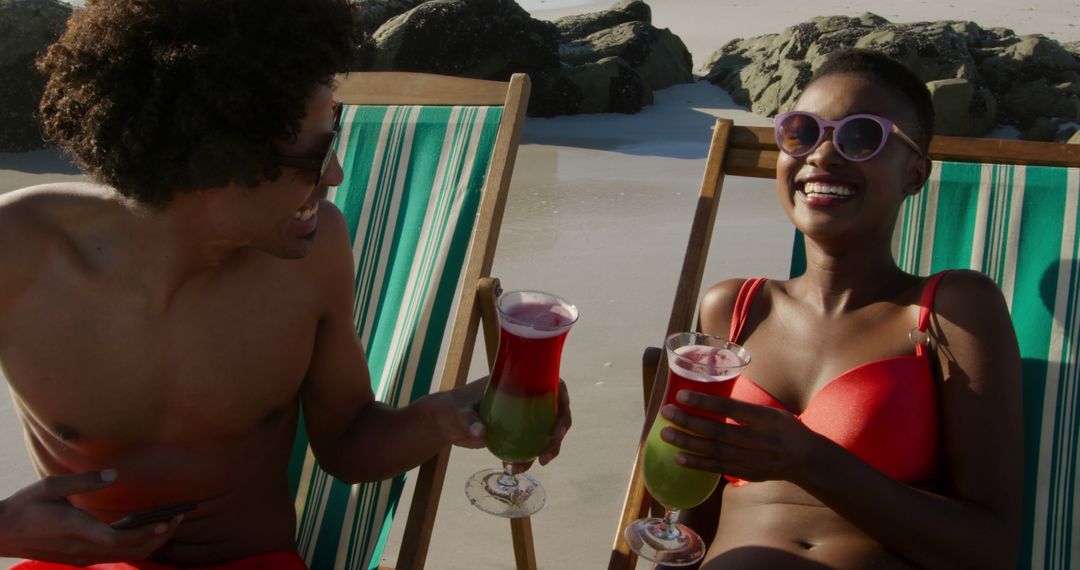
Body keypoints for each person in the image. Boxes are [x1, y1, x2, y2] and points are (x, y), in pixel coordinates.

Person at [0, 0, 570, 566]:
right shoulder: (19, 249)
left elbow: (347, 444)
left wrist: (437, 418)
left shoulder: (315, 253)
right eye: (318, 155)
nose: (337, 175)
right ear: (215, 156)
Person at [658, 49, 1023, 569]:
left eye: (860, 136)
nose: (823, 156)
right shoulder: (733, 309)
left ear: (914, 174)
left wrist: (810, 460)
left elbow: (990, 551)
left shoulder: (950, 311)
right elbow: (689, 518)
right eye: (802, 131)